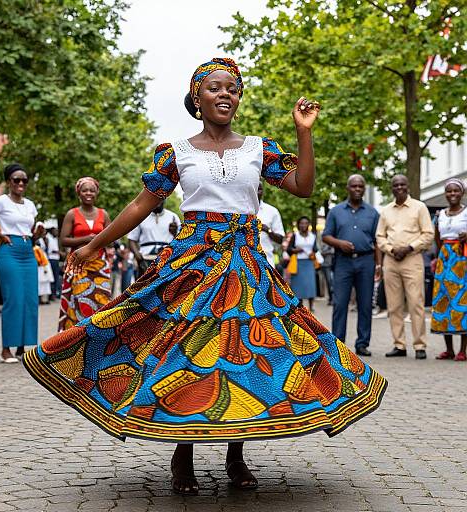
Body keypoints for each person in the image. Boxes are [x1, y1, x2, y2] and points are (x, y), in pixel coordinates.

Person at [23, 57, 386, 496]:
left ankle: (236, 453)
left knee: (243, 355)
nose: (225, 94)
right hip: (191, 265)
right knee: (186, 354)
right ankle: (183, 454)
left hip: (246, 266)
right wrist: (95, 243)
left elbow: (303, 187)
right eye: (215, 87)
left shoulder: (259, 149)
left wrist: (303, 133)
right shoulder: (176, 151)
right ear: (197, 97)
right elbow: (141, 205)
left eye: (232, 88)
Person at [0, 163, 43, 363]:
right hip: (9, 252)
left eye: (24, 180)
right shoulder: (1, 201)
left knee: (30, 300)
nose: (20, 183)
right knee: (14, 299)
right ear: (8, 182)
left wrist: (37, 234)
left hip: (28, 251)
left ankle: (22, 349)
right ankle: (6, 350)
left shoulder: (30, 204)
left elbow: (31, 232)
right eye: (16, 180)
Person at [322, 175, 381, 357]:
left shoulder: (373, 213)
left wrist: (379, 264)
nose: (357, 189)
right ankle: (338, 344)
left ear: (364, 189)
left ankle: (362, 343)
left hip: (366, 261)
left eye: (360, 186)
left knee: (365, 304)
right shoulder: (336, 211)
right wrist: (339, 243)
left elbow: (377, 241)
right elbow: (326, 235)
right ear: (348, 188)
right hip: (342, 261)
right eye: (354, 186)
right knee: (340, 303)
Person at [376, 174, 434, 359]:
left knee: (416, 303)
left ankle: (420, 346)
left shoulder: (420, 207)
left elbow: (428, 234)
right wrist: (391, 249)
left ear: (407, 186)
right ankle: (399, 345)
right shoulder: (386, 211)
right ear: (392, 188)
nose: (399, 187)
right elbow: (379, 236)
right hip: (391, 261)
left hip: (412, 259)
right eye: (395, 185)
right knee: (394, 305)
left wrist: (409, 248)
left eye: (402, 184)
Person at [58, 177, 111, 331]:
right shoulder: (72, 214)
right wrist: (87, 239)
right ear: (79, 193)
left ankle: (99, 338)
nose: (88, 193)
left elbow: (112, 239)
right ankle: (76, 338)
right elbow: (64, 240)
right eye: (85, 190)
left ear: (97, 193)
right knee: (78, 301)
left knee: (102, 301)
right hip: (78, 264)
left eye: (92, 190)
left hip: (99, 266)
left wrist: (99, 241)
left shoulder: (103, 214)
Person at [431, 178, 467, 361]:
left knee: (461, 302)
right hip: (444, 259)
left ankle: (462, 350)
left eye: (456, 191)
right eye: (449, 191)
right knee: (443, 300)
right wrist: (438, 258)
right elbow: (437, 238)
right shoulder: (440, 215)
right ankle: (449, 349)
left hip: (462, 260)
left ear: (462, 193)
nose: (452, 194)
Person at [128, 200, 180, 277]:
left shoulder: (173, 217)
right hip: (145, 259)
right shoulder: (142, 216)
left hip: (167, 259)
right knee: (144, 287)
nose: (157, 201)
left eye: (159, 198)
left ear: (165, 199)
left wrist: (175, 233)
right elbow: (131, 239)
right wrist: (138, 256)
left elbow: (181, 240)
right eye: (154, 199)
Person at [287, 216, 317, 311]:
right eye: (301, 223)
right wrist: (295, 250)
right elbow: (289, 249)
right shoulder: (295, 235)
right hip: (298, 263)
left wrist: (313, 253)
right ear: (298, 225)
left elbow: (316, 249)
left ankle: (311, 306)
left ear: (309, 225)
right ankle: (300, 306)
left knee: (310, 284)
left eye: (306, 223)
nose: (303, 225)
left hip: (309, 263)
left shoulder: (313, 236)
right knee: (298, 285)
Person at [257, 182, 285, 267]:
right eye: (254, 188)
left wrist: (267, 230)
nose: (256, 191)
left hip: (266, 261)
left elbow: (280, 239)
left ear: (263, 191)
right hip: (242, 263)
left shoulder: (272, 211)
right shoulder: (240, 210)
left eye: (259, 189)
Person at [46, 227, 61, 300]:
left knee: (56, 277)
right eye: (55, 231)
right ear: (52, 232)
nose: (57, 233)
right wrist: (58, 252)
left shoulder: (55, 239)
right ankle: (51, 295)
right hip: (51, 259)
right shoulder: (49, 238)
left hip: (56, 259)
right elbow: (49, 250)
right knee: (52, 278)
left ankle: (54, 294)